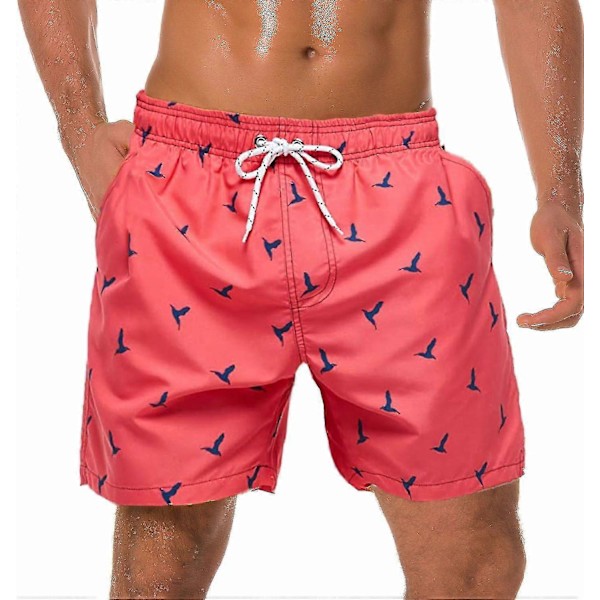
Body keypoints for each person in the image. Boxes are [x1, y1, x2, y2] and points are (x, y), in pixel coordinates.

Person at [18, 1, 584, 598]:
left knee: (477, 565)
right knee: (160, 567)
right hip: (189, 189)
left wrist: (559, 190)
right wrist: (79, 128)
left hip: (399, 194)